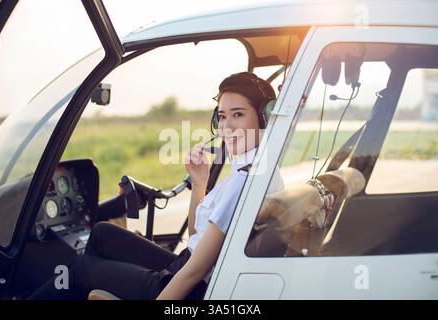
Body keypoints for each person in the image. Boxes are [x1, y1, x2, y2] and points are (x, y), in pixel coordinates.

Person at [30, 71, 284, 300]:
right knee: (103, 234)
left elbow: (194, 272)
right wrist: (200, 181)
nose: (226, 127)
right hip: (187, 265)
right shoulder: (259, 169)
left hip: (184, 285)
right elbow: (197, 232)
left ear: (265, 118)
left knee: (79, 270)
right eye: (222, 117)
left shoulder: (243, 181)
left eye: (238, 115)